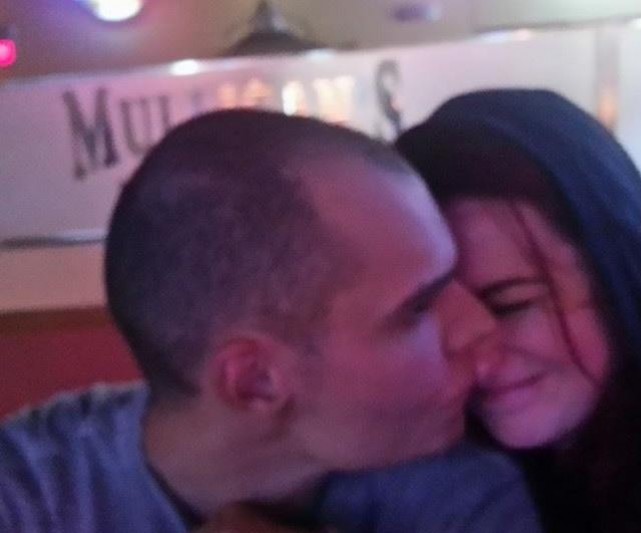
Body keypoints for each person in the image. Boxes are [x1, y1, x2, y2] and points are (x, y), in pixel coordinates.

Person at [0, 110, 543, 532]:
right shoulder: (27, 490)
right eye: (418, 308)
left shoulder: (460, 495)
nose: (481, 329)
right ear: (256, 382)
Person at [395, 89, 641, 533]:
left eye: (511, 305)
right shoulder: (439, 488)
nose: (479, 359)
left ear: (625, 274)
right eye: (428, 317)